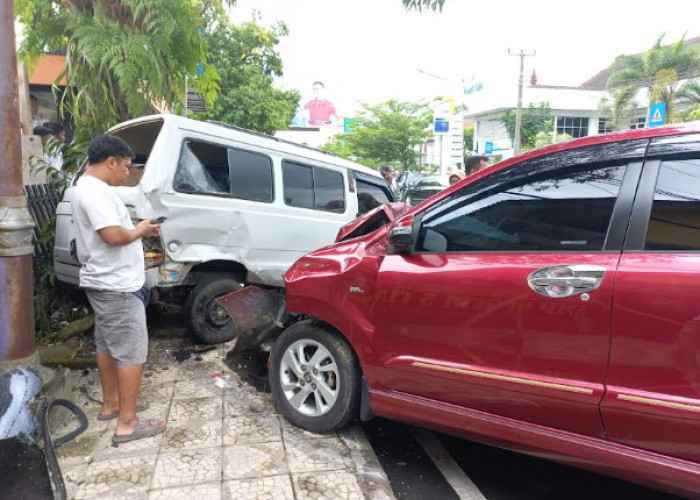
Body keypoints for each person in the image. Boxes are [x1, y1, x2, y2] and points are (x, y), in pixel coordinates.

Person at [72, 135, 165, 444]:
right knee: (131, 352)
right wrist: (141, 230)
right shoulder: (95, 192)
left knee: (108, 346)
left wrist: (137, 227)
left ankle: (113, 403)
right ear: (110, 161)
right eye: (125, 167)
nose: (127, 173)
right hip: (117, 287)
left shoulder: (88, 188)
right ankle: (127, 422)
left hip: (105, 283)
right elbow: (111, 236)